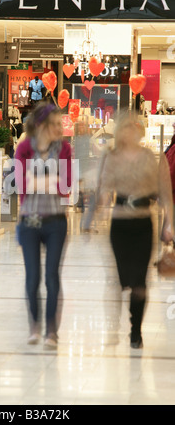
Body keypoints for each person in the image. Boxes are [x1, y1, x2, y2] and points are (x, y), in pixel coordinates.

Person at [98, 114, 174, 349]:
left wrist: (169, 224)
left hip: (143, 224)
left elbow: (165, 193)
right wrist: (99, 212)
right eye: (127, 127)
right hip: (120, 224)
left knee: (140, 280)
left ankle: (135, 329)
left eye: (135, 127)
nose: (131, 131)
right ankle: (114, 325)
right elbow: (104, 188)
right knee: (121, 279)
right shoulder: (112, 157)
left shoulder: (152, 158)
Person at [15, 101, 72, 350]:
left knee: (51, 277)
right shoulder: (24, 147)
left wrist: (37, 179)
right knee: (32, 277)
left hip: (56, 222)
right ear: (41, 125)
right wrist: (51, 179)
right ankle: (34, 327)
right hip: (29, 221)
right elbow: (21, 184)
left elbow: (66, 187)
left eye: (62, 124)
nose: (61, 128)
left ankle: (52, 332)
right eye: (56, 124)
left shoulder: (65, 149)